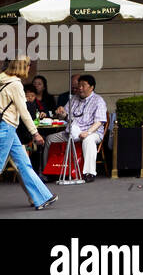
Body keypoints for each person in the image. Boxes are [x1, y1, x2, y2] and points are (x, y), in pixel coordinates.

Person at [0, 57, 56, 210]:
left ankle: (42, 197)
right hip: (6, 127)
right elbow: (24, 111)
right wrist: (35, 133)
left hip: (7, 127)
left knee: (24, 164)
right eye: (27, 65)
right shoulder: (15, 84)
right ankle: (41, 197)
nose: (29, 67)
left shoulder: (2, 79)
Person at [50, 73, 108, 181]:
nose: (80, 88)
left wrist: (88, 132)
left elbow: (100, 121)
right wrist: (61, 113)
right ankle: (48, 172)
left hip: (92, 132)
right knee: (50, 139)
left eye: (83, 85)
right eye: (79, 85)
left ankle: (89, 173)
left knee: (88, 140)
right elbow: (66, 117)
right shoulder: (74, 99)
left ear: (91, 87)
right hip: (73, 131)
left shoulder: (98, 100)